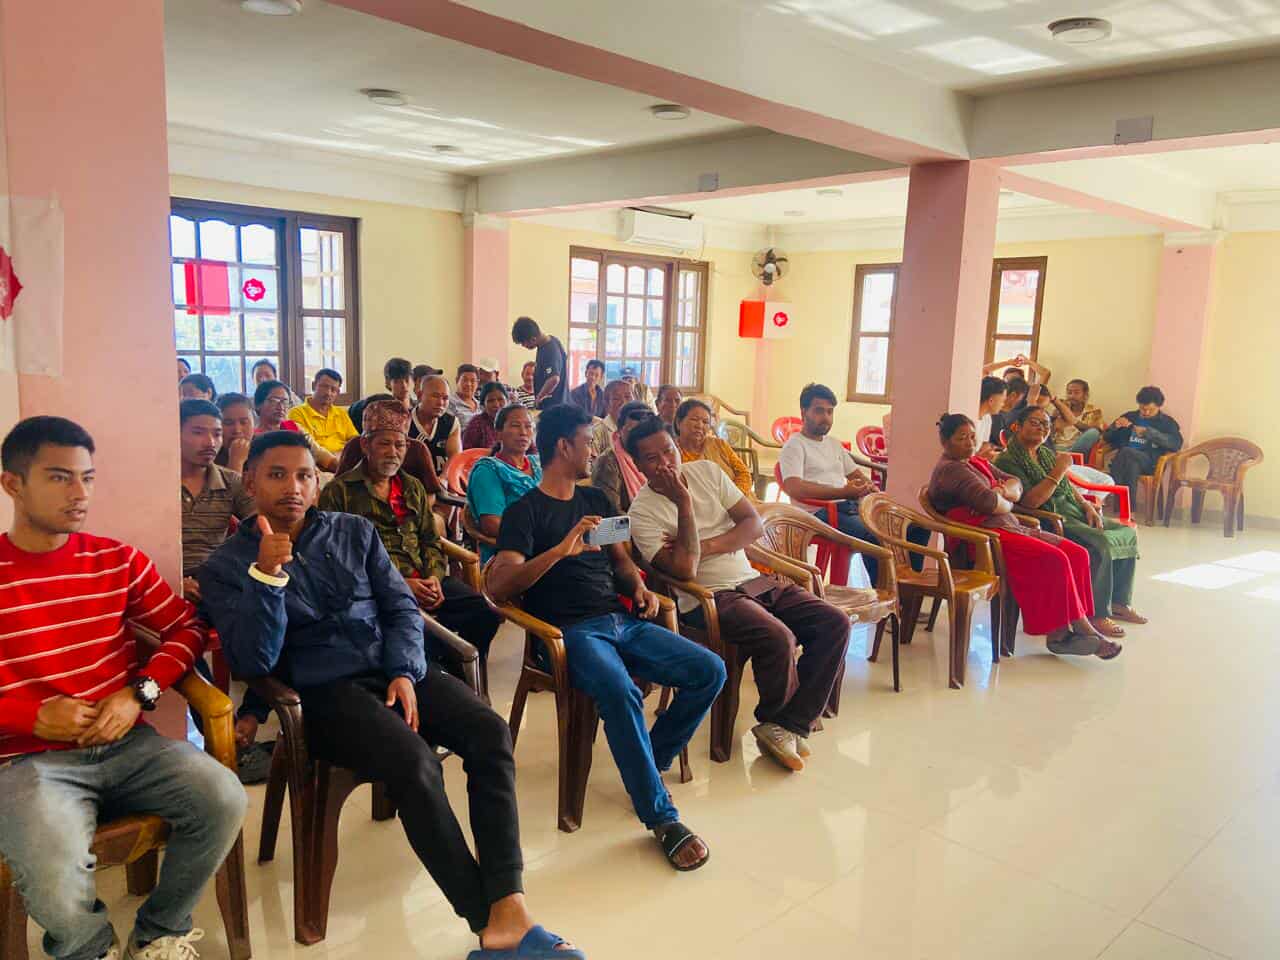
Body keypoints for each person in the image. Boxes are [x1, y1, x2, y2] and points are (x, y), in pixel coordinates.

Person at [198, 431, 581, 959]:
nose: (293, 488)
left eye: (305, 476)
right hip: (323, 692)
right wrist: (266, 574)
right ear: (250, 481)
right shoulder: (224, 567)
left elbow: (401, 606)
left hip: (393, 668)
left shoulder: (353, 531)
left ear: (317, 484)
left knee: (490, 733)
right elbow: (253, 661)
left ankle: (508, 901)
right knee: (415, 762)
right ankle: (487, 919)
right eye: (277, 475)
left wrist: (404, 670)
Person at [0, 416, 246, 960]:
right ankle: (88, 947)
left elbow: (188, 628)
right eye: (60, 477)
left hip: (128, 745)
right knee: (50, 863)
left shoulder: (115, 559)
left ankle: (160, 930)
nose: (80, 493)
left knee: (224, 797)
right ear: (13, 483)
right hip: (29, 761)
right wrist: (26, 716)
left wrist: (141, 693)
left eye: (87, 478)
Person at [487, 404, 724, 871]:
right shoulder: (524, 513)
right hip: (568, 633)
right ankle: (662, 818)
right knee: (619, 690)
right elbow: (499, 585)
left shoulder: (595, 500)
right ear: (563, 447)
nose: (594, 452)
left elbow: (620, 562)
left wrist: (639, 588)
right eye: (587, 443)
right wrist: (559, 551)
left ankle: (648, 759)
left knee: (709, 670)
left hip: (620, 621)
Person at [626, 415, 850, 773]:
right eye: (652, 459)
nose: (665, 463)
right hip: (707, 597)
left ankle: (788, 723)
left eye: (668, 451)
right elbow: (684, 570)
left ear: (677, 446)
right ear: (638, 466)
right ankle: (779, 721)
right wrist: (684, 503)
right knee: (778, 637)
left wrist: (703, 546)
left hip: (752, 580)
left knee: (834, 622)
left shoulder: (707, 472)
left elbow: (753, 524)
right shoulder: (642, 512)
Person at [317, 401, 501, 664]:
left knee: (485, 612)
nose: (393, 452)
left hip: (425, 580)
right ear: (365, 445)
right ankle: (441, 672)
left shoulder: (412, 486)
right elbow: (339, 560)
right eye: (384, 444)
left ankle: (461, 672)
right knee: (418, 635)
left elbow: (430, 539)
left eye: (400, 445)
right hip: (376, 589)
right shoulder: (338, 493)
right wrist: (400, 584)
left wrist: (434, 577)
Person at [927, 414, 1121, 660]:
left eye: (973, 436)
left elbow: (1015, 483)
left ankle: (1071, 628)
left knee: (1077, 553)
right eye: (962, 438)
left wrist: (1002, 492)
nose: (970, 443)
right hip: (983, 539)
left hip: (1009, 526)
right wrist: (1005, 498)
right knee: (1056, 559)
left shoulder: (974, 462)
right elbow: (989, 503)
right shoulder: (952, 470)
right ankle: (1067, 633)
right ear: (945, 442)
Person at [997, 406, 1146, 638]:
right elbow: (1031, 501)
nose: (1042, 428)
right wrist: (1058, 470)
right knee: (1099, 543)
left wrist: (1086, 505)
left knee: (1126, 532)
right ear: (1017, 426)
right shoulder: (1007, 460)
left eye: (1046, 424)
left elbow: (1067, 486)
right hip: (1050, 517)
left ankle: (1119, 602)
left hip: (1074, 510)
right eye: (1035, 423)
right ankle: (1096, 614)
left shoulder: (1045, 453)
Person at [778, 383, 927, 584]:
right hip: (818, 514)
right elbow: (794, 487)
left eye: (830, 412)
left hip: (848, 507)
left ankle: (910, 586)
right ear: (804, 412)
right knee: (876, 537)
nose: (826, 417)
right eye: (819, 411)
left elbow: (856, 476)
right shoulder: (795, 445)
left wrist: (870, 490)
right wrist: (843, 492)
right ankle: (883, 592)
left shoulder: (833, 444)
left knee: (916, 527)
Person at [178, 399, 255, 600]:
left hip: (217, 579)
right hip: (161, 579)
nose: (210, 442)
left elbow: (261, 525)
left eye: (217, 434)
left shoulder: (232, 482)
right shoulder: (155, 483)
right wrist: (174, 581)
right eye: (198, 432)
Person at [467, 405, 541, 563]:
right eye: (515, 426)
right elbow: (492, 525)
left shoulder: (538, 464)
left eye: (528, 426)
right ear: (498, 433)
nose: (523, 432)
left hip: (547, 548)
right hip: (510, 556)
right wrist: (542, 536)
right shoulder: (488, 470)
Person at [1103, 386, 1184, 504]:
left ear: (1159, 406)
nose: (1146, 412)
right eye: (1142, 409)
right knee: (1132, 464)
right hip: (1128, 461)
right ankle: (1129, 510)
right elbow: (1107, 437)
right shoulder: (1130, 416)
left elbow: (1176, 444)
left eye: (1151, 410)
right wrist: (1115, 427)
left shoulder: (1166, 422)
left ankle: (1112, 490)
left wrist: (1149, 433)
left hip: (1150, 462)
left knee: (1126, 451)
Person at [673, 398, 754, 498]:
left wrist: (733, 497)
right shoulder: (671, 452)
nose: (700, 425)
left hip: (740, 499)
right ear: (678, 423)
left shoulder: (719, 445)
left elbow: (743, 473)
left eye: (705, 422)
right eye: (694, 419)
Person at [254, 379, 338, 472]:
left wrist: (341, 468)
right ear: (258, 405)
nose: (281, 407)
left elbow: (318, 452)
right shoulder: (253, 437)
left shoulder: (294, 427)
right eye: (274, 400)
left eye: (285, 402)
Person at [590, 401, 652, 514]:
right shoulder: (607, 463)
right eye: (633, 431)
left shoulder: (653, 457)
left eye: (645, 431)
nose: (639, 436)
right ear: (619, 430)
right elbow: (612, 514)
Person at [288, 368, 357, 455]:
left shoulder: (341, 413)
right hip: (315, 460)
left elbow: (354, 440)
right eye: (324, 387)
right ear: (313, 385)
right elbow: (302, 446)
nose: (328, 393)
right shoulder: (296, 413)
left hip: (343, 458)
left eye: (333, 389)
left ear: (337, 393)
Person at [511, 316, 568, 409]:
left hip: (552, 407)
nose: (523, 346)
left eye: (523, 343)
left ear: (533, 339)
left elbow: (554, 379)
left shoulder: (550, 349)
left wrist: (539, 398)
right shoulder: (549, 342)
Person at [410, 373, 461, 477]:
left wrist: (443, 479)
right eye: (435, 396)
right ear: (419, 395)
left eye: (445, 398)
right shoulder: (403, 420)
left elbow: (455, 457)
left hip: (441, 481)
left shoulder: (451, 423)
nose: (440, 403)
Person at [1048, 378, 1106, 455]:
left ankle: (1067, 456)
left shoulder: (1094, 411)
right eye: (1069, 393)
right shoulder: (1060, 408)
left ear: (1085, 395)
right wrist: (1053, 419)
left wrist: (1073, 420)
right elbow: (1048, 435)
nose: (1072, 396)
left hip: (1076, 448)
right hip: (1056, 447)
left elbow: (1097, 434)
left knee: (1094, 432)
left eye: (1076, 393)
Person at [587, 379, 634, 458]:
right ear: (606, 403)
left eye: (628, 397)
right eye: (616, 398)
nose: (624, 402)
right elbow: (593, 463)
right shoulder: (597, 432)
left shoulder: (639, 429)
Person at [463, 382, 510, 451]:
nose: (496, 405)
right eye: (491, 401)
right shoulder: (476, 424)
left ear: (508, 401)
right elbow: (467, 453)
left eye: (500, 399)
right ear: (483, 405)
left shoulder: (515, 421)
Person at [976, 376, 1008, 459]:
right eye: (1002, 401)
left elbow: (984, 447)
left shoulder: (987, 418)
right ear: (991, 400)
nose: (1003, 405)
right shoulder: (969, 419)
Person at [449, 364, 482, 433]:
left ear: (477, 383)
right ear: (457, 380)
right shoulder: (449, 403)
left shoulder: (481, 405)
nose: (468, 384)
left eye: (472, 381)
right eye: (465, 380)